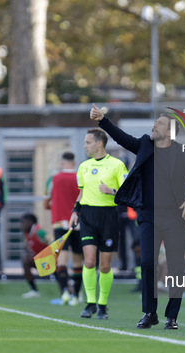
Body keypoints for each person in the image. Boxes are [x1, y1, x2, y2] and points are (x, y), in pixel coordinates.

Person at [90, 104, 185, 330]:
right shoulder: (144, 144)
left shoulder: (184, 152)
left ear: (170, 132)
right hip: (148, 216)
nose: (154, 126)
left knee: (175, 268)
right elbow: (121, 138)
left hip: (175, 218)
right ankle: (149, 313)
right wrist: (103, 120)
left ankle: (172, 317)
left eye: (159, 124)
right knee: (147, 263)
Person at [69, 128, 129, 319]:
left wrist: (112, 191)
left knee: (104, 266)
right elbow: (81, 192)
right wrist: (75, 212)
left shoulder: (117, 165)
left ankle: (102, 305)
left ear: (99, 144)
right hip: (87, 215)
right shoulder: (84, 166)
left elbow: (127, 193)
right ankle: (90, 303)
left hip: (109, 217)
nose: (85, 146)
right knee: (89, 261)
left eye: (88, 142)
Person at [44, 151, 83, 305]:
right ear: (74, 163)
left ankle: (65, 292)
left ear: (62, 163)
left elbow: (46, 202)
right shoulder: (80, 176)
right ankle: (76, 296)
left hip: (59, 223)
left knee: (61, 260)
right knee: (78, 260)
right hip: (78, 223)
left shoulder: (53, 179)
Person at [20, 213, 52, 298]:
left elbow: (52, 242)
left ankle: (72, 292)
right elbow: (26, 246)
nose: (21, 225)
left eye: (23, 223)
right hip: (41, 262)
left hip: (51, 261)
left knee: (60, 276)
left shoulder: (39, 231)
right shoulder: (26, 234)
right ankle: (34, 290)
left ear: (30, 222)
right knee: (25, 260)